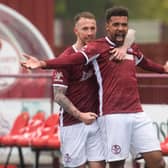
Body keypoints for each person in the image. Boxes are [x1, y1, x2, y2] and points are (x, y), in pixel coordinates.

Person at [21, 6, 168, 168]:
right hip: (84, 121)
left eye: (92, 28)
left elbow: (134, 40)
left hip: (102, 119)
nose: (89, 32)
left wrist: (162, 68)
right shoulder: (91, 50)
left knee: (156, 161)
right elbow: (64, 79)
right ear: (76, 30)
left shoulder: (123, 45)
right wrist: (42, 63)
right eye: (85, 29)